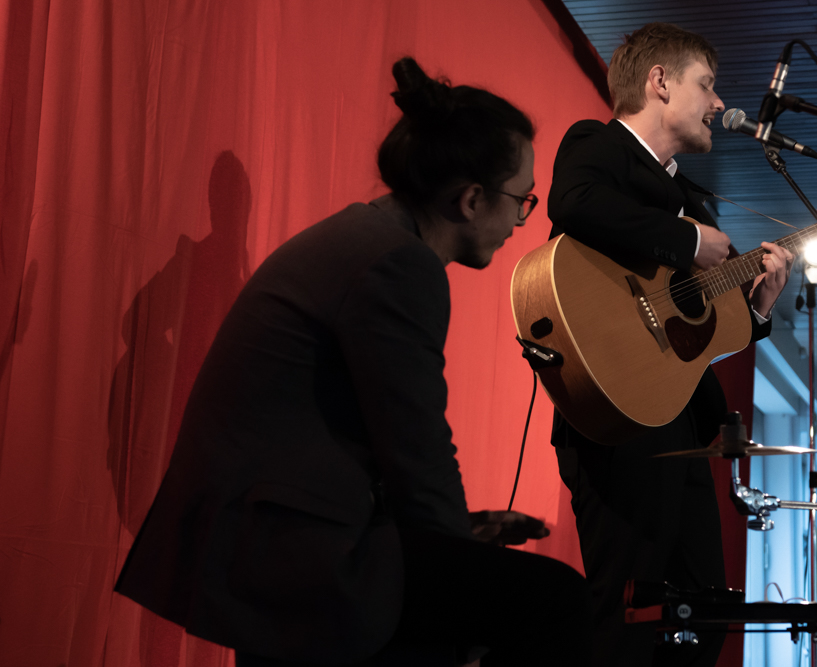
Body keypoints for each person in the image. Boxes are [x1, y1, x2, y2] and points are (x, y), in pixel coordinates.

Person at [115, 57, 592, 667]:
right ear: (471, 199)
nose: (521, 221)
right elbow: (417, 450)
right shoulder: (399, 264)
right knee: (557, 603)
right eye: (521, 199)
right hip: (291, 555)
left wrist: (457, 537)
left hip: (270, 537)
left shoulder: (367, 238)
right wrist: (458, 576)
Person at [546, 23, 794, 666]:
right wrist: (686, 242)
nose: (718, 103)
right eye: (706, 84)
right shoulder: (596, 144)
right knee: (624, 615)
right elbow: (575, 204)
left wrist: (758, 311)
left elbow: (700, 334)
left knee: (705, 606)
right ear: (659, 83)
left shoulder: (688, 197)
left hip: (676, 424)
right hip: (616, 417)